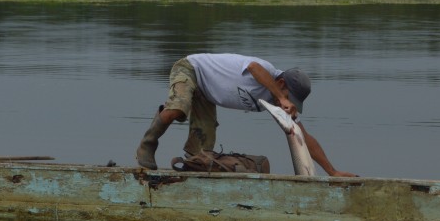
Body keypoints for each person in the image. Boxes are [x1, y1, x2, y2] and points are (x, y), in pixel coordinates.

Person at [135, 52, 355, 177]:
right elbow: (253, 67)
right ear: (280, 84)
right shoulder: (265, 71)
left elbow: (302, 137)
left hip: (207, 94)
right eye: (288, 96)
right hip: (191, 69)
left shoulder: (277, 103)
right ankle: (148, 144)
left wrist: (331, 170)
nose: (287, 103)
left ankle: (191, 174)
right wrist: (282, 96)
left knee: (204, 147)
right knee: (178, 109)